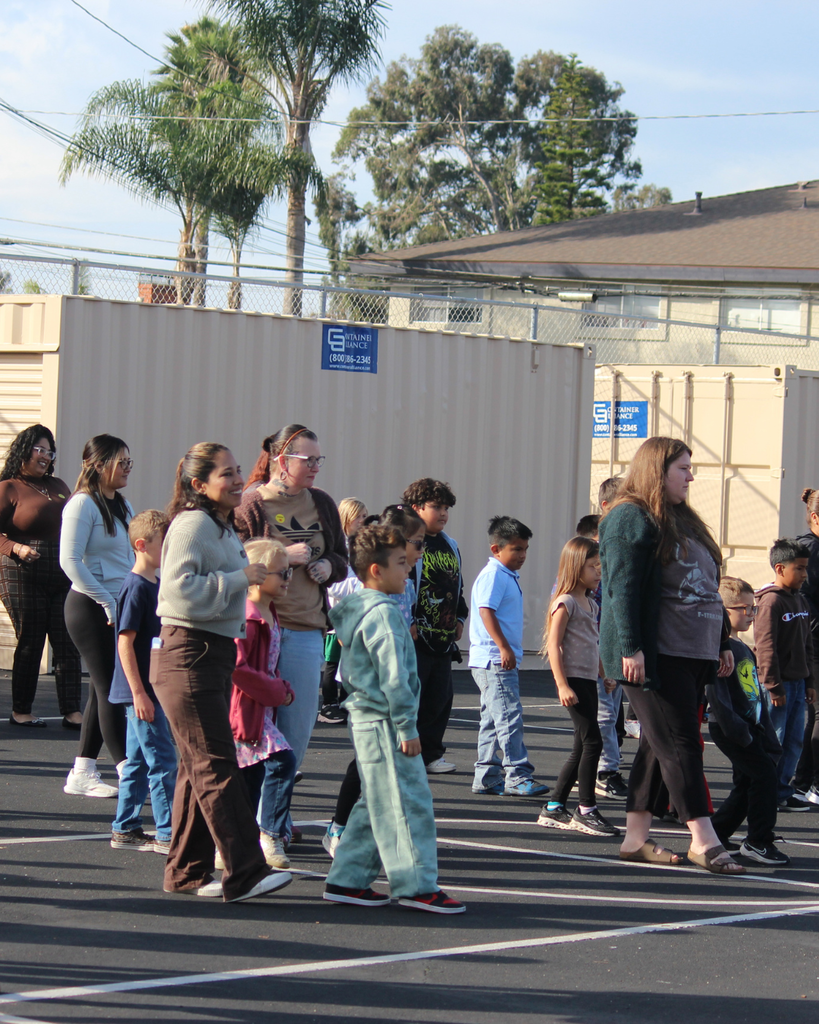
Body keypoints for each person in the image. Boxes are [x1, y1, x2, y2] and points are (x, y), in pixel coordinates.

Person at [151, 442, 291, 902]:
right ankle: (246, 871)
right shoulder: (193, 524)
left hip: (208, 653)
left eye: (237, 472)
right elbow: (178, 589)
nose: (236, 481)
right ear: (198, 485)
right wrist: (242, 578)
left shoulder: (219, 526)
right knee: (215, 764)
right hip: (188, 652)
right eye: (225, 474)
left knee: (197, 770)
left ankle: (186, 872)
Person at [598, 437, 745, 874]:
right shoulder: (628, 517)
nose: (691, 475)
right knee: (681, 744)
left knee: (657, 744)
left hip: (692, 652)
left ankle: (635, 839)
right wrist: (631, 647)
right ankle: (704, 839)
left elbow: (706, 587)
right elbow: (620, 589)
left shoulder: (681, 519)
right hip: (656, 653)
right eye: (682, 468)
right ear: (656, 471)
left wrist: (719, 641)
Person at [322, 524, 465, 914]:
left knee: (378, 802)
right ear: (375, 570)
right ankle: (417, 885)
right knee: (409, 802)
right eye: (401, 563)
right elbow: (394, 677)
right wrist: (407, 726)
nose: (408, 570)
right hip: (385, 721)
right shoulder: (383, 614)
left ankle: (347, 879)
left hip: (368, 719)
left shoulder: (358, 609)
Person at [235, 425, 348, 786]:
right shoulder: (252, 503)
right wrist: (283, 555)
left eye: (319, 459)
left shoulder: (323, 503)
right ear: (282, 460)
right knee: (253, 727)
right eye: (308, 459)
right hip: (261, 629)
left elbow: (341, 557)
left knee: (297, 728)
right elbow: (239, 560)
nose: (316, 466)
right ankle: (253, 819)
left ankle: (274, 819)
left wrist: (329, 565)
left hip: (305, 627)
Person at [323, 504, 426, 856]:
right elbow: (345, 628)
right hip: (371, 694)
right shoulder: (365, 590)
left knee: (389, 772)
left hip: (393, 692)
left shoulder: (404, 584)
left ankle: (374, 838)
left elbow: (404, 633)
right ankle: (339, 829)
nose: (419, 552)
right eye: (415, 543)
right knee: (367, 765)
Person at [60, 434, 134, 798]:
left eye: (129, 463)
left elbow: (130, 558)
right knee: (111, 689)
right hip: (89, 607)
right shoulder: (82, 505)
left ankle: (83, 771)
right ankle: (128, 769)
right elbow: (70, 561)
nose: (126, 469)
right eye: (121, 462)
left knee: (100, 689)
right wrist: (106, 600)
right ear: (98, 464)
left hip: (118, 604)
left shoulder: (121, 505)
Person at [0, 424, 82, 728]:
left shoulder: (58, 484)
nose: (46, 456)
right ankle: (21, 711)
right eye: (40, 449)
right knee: (32, 639)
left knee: (66, 639)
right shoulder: (9, 487)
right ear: (24, 451)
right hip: (22, 571)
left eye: (50, 451)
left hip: (60, 571)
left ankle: (72, 711)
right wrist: (15, 548)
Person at [537, 536, 619, 836]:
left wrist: (604, 673)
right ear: (575, 567)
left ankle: (555, 806)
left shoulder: (590, 603)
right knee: (593, 741)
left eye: (600, 566)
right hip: (572, 680)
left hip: (586, 679)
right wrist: (562, 685)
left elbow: (593, 644)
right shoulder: (566, 602)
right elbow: (555, 645)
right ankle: (586, 809)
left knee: (581, 744)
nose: (599, 572)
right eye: (593, 566)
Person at [109, 510, 176, 854]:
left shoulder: (155, 584)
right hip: (140, 691)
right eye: (162, 542)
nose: (167, 548)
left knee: (137, 760)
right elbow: (125, 642)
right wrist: (139, 693)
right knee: (163, 760)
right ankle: (167, 832)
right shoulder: (136, 587)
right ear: (141, 545)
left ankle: (126, 825)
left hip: (150, 689)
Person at [707, 577, 787, 866]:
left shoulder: (742, 648)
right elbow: (718, 699)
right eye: (746, 609)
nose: (752, 615)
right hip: (732, 728)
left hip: (750, 726)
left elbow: (755, 697)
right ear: (723, 611)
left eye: (753, 609)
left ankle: (716, 832)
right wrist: (741, 732)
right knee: (764, 776)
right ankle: (758, 841)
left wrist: (764, 731)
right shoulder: (719, 648)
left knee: (748, 782)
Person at [229, 537, 297, 871]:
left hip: (263, 707)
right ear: (257, 574)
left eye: (289, 573)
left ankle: (235, 843)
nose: (287, 580)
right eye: (281, 574)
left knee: (251, 778)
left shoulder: (270, 613)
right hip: (247, 710)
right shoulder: (248, 617)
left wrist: (280, 686)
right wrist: (275, 690)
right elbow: (240, 670)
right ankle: (268, 834)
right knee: (283, 761)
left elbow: (268, 663)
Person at [469, 516, 547, 798]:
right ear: (496, 549)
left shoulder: (504, 575)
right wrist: (503, 647)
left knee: (492, 718)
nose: (522, 555)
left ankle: (486, 776)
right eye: (516, 549)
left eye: (525, 548)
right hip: (493, 660)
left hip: (492, 659)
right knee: (509, 716)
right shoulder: (494, 576)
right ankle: (516, 774)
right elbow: (485, 611)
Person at [403, 478, 468, 774]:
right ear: (417, 508)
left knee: (439, 699)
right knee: (412, 696)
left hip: (442, 638)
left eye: (446, 508)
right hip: (416, 637)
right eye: (436, 507)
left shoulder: (450, 544)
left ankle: (431, 754)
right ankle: (407, 754)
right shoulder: (406, 542)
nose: (443, 513)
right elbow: (400, 585)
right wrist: (409, 622)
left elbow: (457, 585)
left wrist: (459, 617)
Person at [754, 538, 816, 813]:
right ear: (780, 568)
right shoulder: (771, 602)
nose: (804, 574)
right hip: (779, 687)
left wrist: (810, 681)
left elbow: (807, 645)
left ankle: (782, 789)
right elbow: (765, 647)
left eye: (806, 568)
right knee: (775, 740)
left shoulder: (800, 600)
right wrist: (773, 686)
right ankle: (765, 790)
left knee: (794, 741)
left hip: (799, 682)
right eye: (799, 568)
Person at [318, 497, 368, 724]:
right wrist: (361, 583)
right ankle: (328, 704)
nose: (364, 521)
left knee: (352, 660)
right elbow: (334, 584)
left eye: (366, 516)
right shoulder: (338, 547)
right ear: (347, 518)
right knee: (333, 661)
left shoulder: (363, 547)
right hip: (338, 616)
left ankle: (347, 700)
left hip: (357, 616)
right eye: (360, 516)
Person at [794, 487, 819, 805]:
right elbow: (806, 599)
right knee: (815, 712)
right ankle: (807, 784)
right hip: (810, 641)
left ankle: (804, 782)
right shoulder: (807, 549)